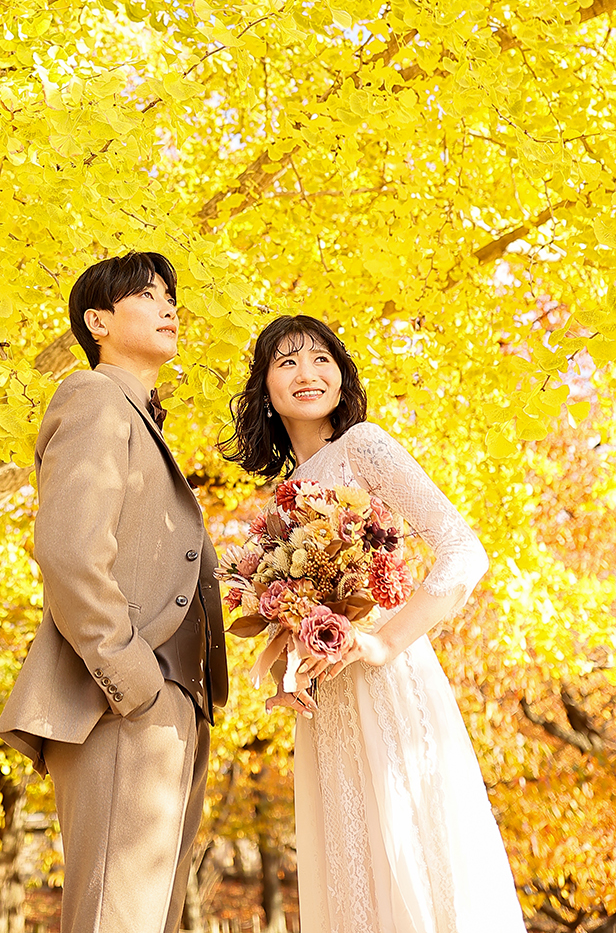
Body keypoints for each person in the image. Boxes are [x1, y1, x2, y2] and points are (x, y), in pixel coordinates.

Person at [221, 313, 524, 933]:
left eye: (321, 359)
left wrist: (384, 642)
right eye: (286, 362)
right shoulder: (285, 493)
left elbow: (464, 551)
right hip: (326, 703)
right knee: (351, 862)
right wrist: (287, 664)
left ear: (341, 377)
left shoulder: (364, 446)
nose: (307, 373)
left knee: (408, 845)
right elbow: (298, 604)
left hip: (388, 681)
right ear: (266, 390)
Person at [0, 251, 228, 933]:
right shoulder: (94, 397)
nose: (168, 307)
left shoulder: (141, 417)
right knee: (115, 919)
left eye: (170, 297)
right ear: (98, 322)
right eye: (147, 296)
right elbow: (69, 552)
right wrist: (134, 681)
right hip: (125, 702)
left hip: (172, 704)